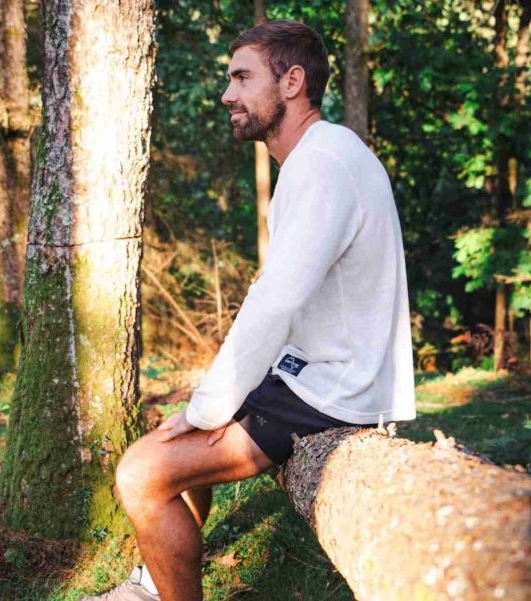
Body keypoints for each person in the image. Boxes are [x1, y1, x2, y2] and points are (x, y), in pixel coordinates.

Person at [82, 19, 416, 601]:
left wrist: (210, 406)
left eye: (241, 77)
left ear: (292, 81)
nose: (226, 94)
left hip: (333, 390)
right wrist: (207, 404)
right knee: (169, 438)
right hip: (309, 374)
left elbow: (277, 298)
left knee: (140, 473)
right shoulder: (318, 156)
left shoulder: (324, 161)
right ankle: (150, 584)